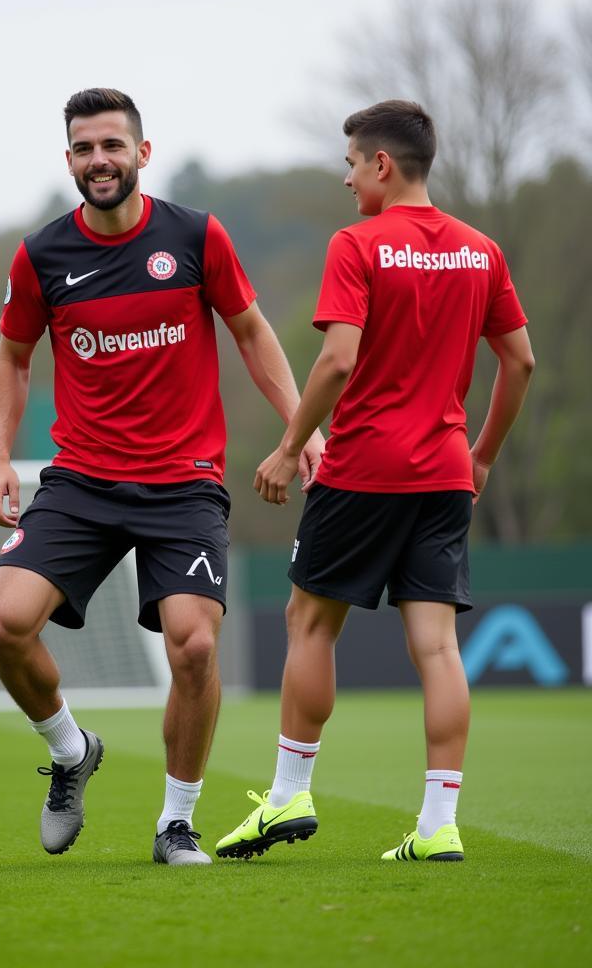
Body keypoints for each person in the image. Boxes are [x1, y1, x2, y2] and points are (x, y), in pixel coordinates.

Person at [0, 88, 325, 866]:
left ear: (142, 152)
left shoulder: (196, 237)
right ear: (68, 160)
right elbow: (12, 356)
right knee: (3, 624)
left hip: (183, 484)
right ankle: (71, 753)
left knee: (194, 646)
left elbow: (250, 332)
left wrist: (302, 428)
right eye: (83, 148)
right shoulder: (42, 255)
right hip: (82, 481)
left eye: (111, 145)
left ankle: (177, 824)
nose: (98, 160)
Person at [215, 100, 534, 863]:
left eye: (352, 164)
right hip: (446, 474)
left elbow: (337, 360)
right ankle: (438, 827)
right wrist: (481, 454)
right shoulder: (480, 249)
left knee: (309, 622)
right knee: (437, 647)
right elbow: (520, 361)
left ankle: (290, 794)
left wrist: (291, 447)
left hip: (363, 467)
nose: (348, 179)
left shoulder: (358, 243)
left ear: (382, 165)